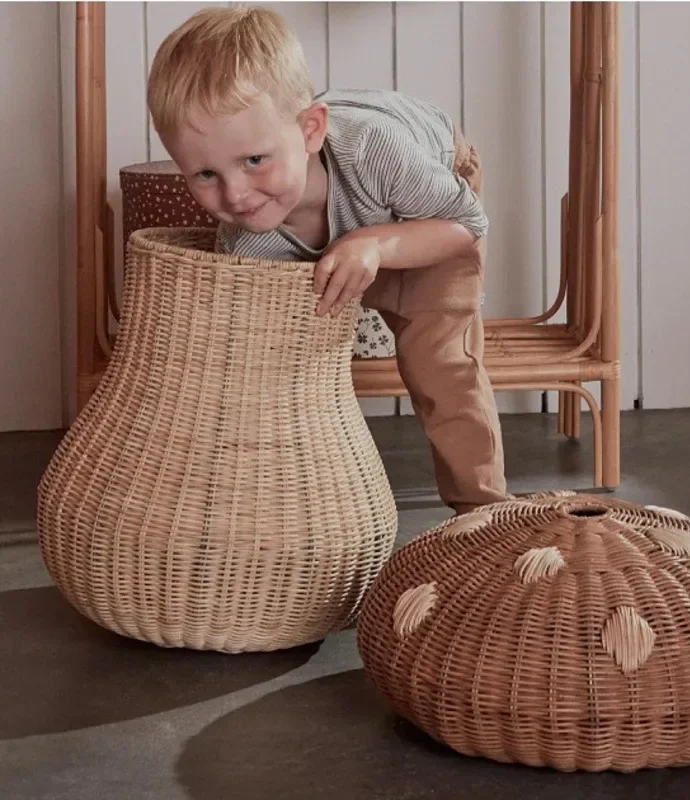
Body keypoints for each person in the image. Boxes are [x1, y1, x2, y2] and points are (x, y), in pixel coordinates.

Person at [147, 5, 510, 515]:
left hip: (430, 210)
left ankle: (484, 511)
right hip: (350, 221)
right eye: (204, 175)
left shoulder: (373, 151)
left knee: (441, 364)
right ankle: (293, 509)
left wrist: (378, 245)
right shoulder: (246, 242)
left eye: (255, 160)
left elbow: (467, 224)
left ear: (312, 130)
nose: (235, 194)